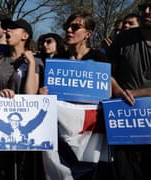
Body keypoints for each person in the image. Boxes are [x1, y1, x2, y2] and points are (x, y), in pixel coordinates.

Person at [42, 11, 111, 180]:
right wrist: (42, 94)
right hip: (62, 133)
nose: (69, 31)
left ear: (88, 34)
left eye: (75, 27)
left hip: (90, 135)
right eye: (67, 27)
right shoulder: (57, 60)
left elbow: (109, 91)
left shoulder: (99, 59)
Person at [0, 18, 44, 180]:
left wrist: (31, 64)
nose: (7, 31)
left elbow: (31, 96)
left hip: (23, 130)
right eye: (6, 28)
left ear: (25, 35)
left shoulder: (37, 62)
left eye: (13, 28)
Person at [107, 1, 151, 179]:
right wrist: (118, 90)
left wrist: (136, 93)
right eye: (144, 7)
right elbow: (105, 73)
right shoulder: (123, 39)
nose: (147, 11)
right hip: (127, 123)